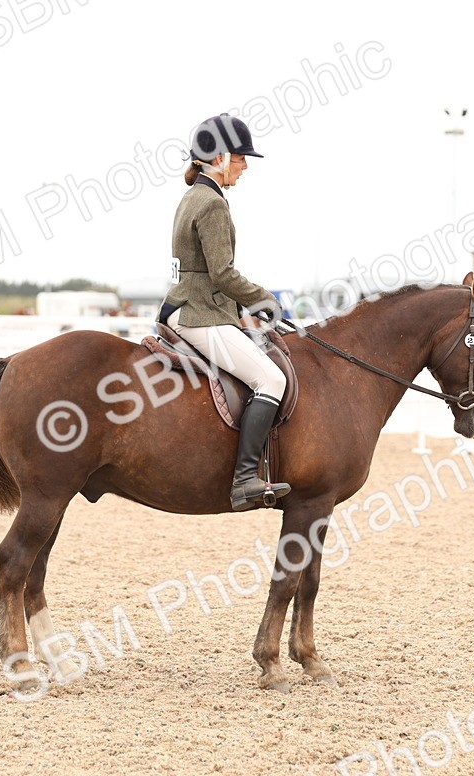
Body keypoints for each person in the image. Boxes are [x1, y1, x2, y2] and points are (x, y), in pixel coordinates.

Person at [159, 113, 289, 511]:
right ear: (217, 158)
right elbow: (222, 273)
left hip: (191, 305)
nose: (245, 166)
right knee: (271, 379)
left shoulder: (193, 196)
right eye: (239, 158)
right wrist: (266, 300)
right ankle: (245, 479)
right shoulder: (212, 203)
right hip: (200, 313)